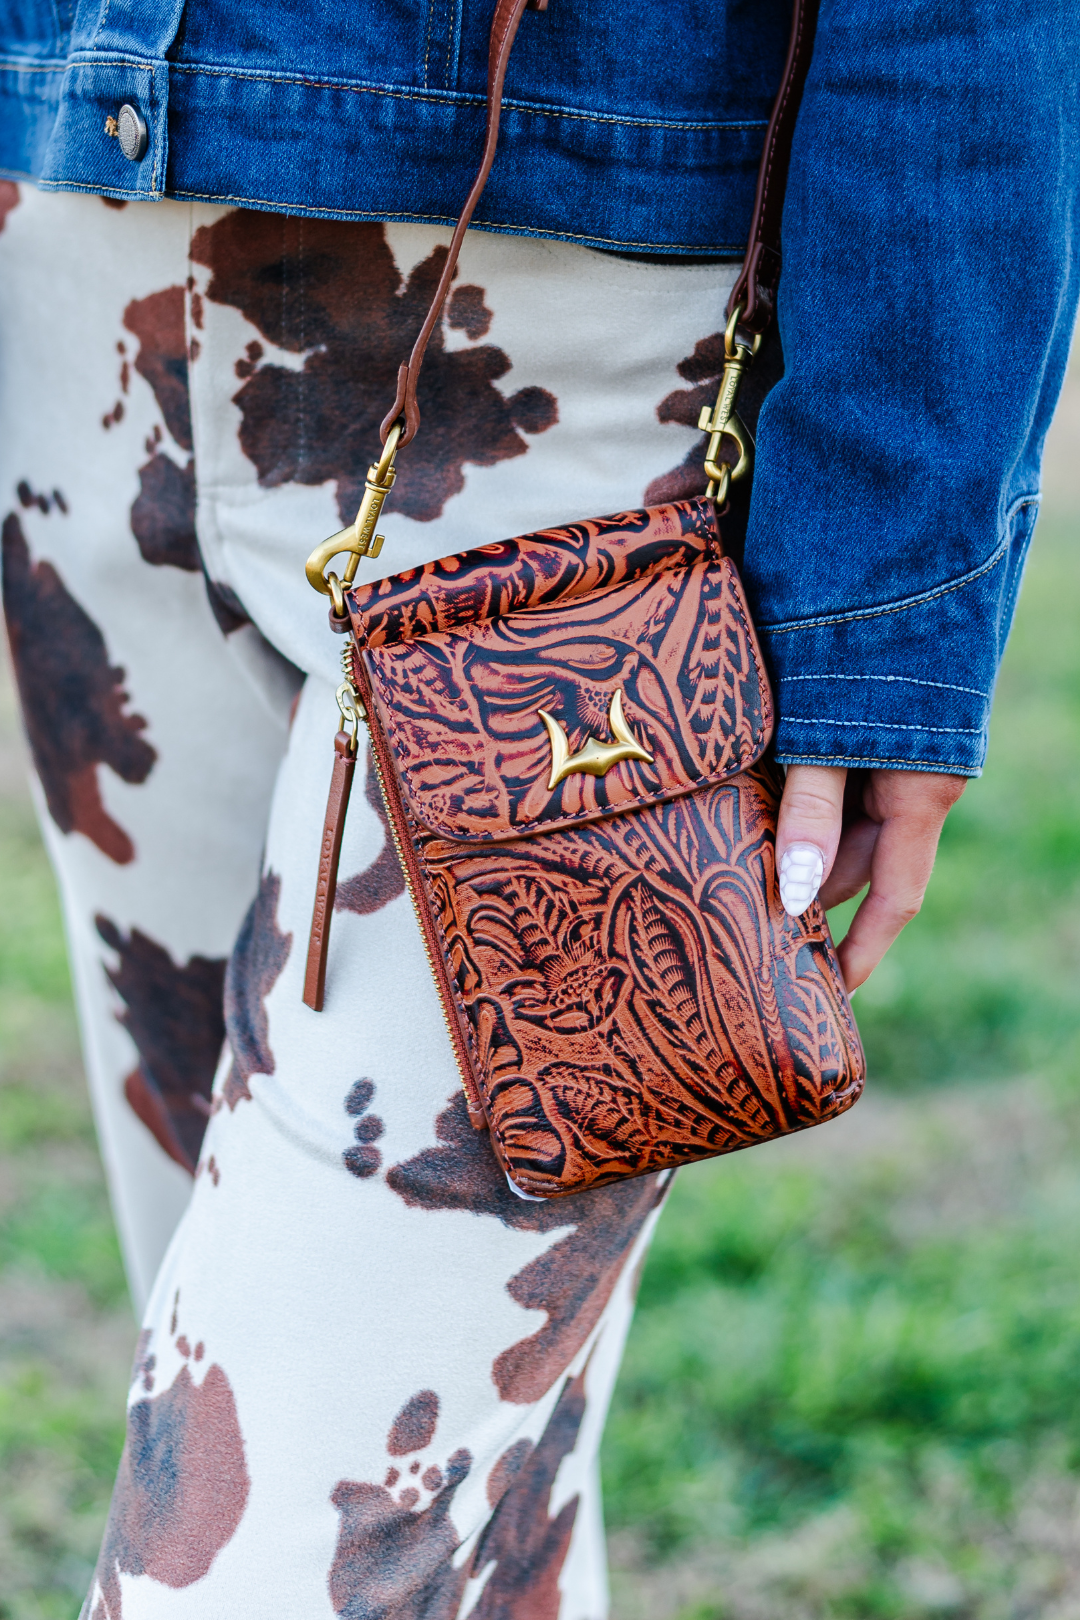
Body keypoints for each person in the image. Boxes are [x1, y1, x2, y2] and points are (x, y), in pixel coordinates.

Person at [0, 0, 1076, 1613]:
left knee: (271, 1550)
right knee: (444, 1500)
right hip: (80, 286)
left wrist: (890, 589)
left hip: (567, 378)